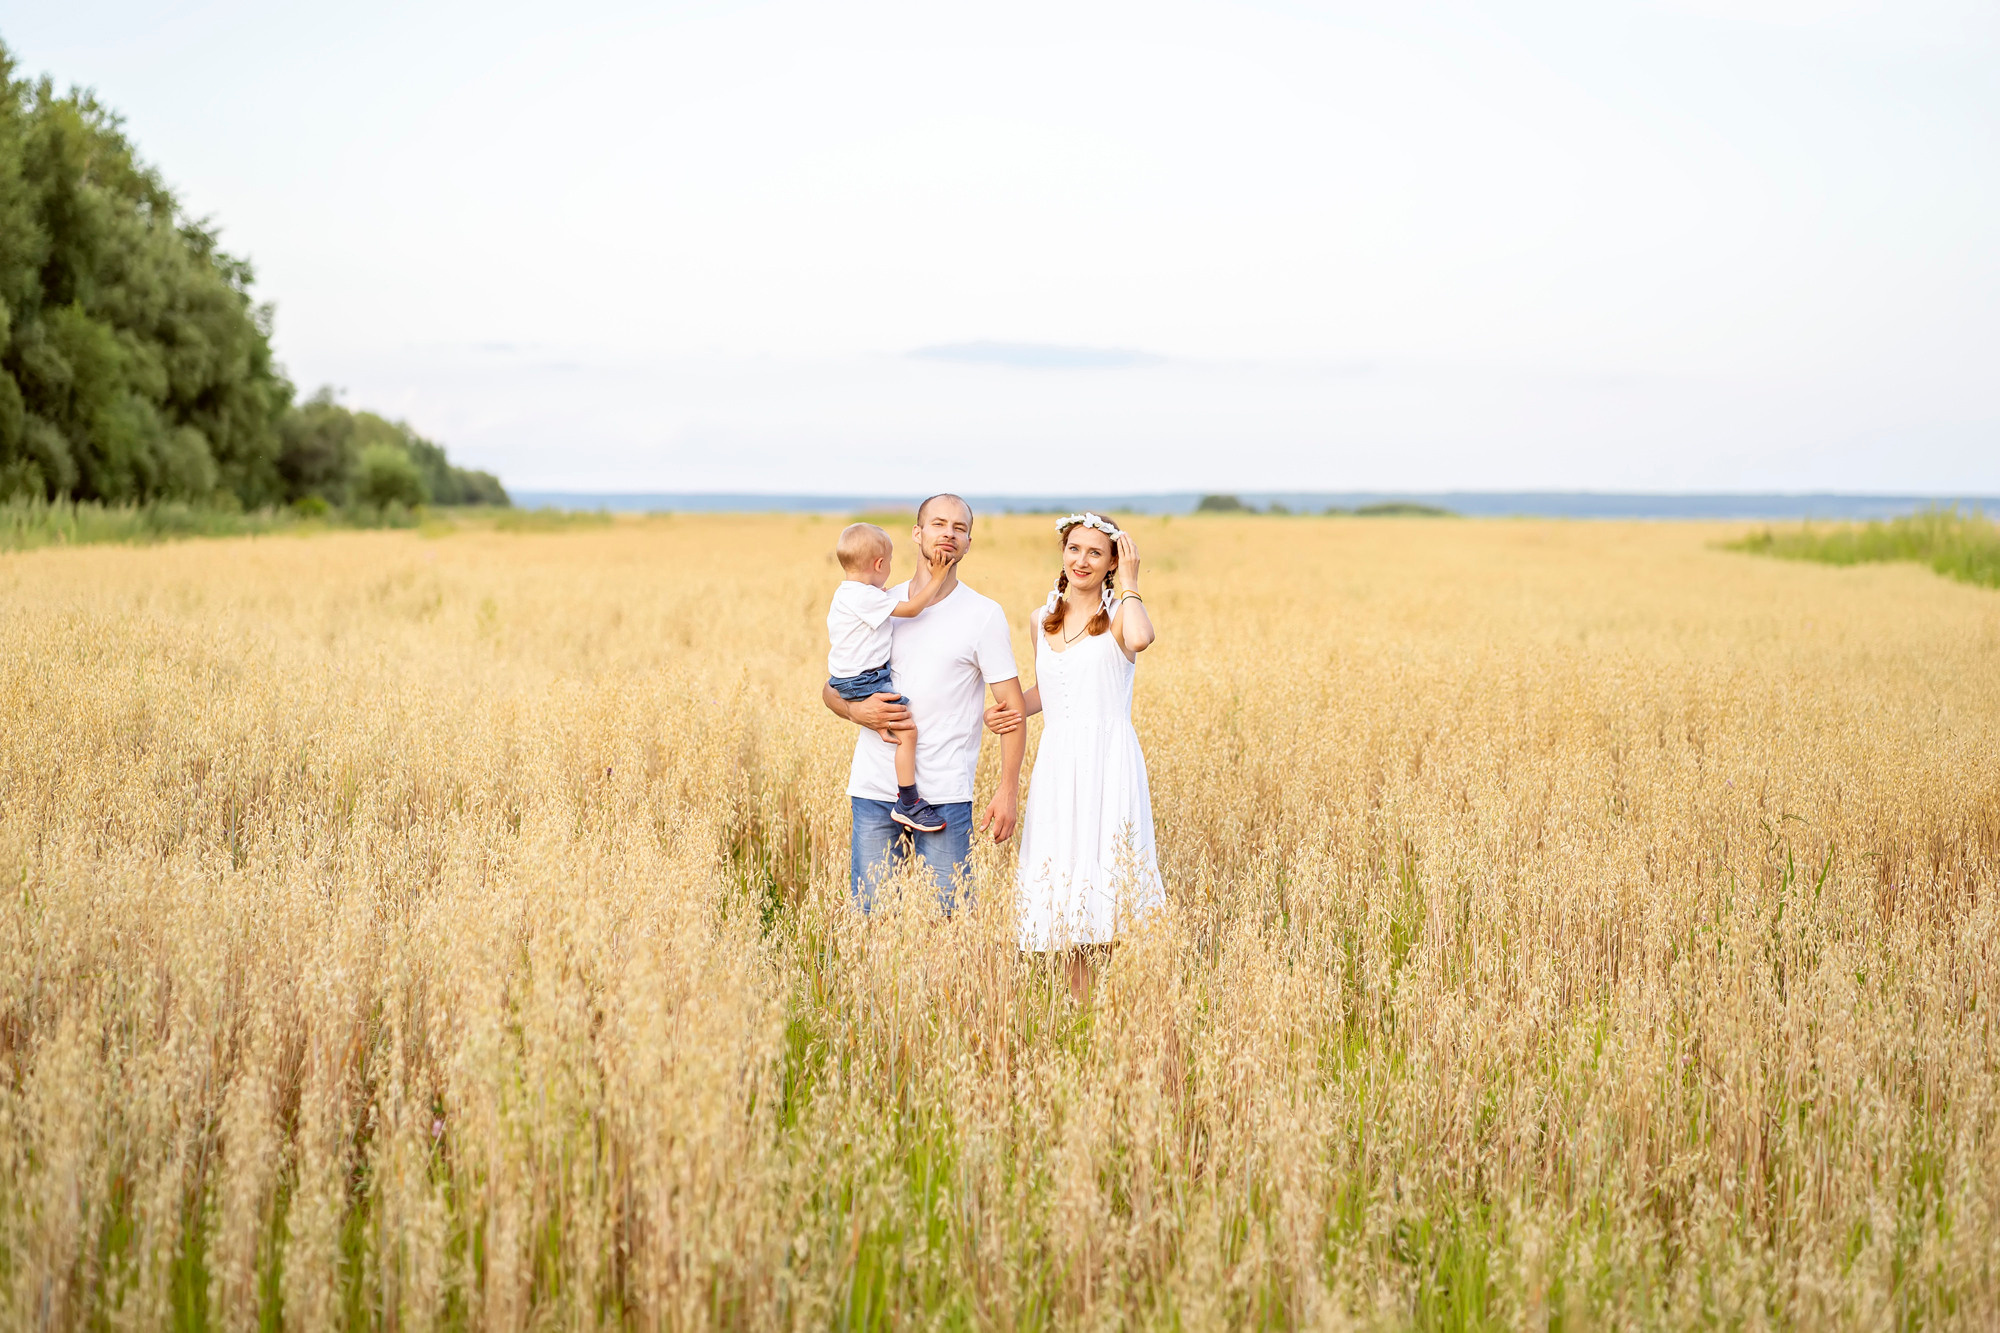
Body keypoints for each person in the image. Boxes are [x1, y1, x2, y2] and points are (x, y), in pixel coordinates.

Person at [820, 494, 1030, 911]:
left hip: (945, 794)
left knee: (948, 926)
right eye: (938, 524)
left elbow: (1012, 709)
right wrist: (855, 710)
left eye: (960, 528)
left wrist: (1009, 790)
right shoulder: (877, 602)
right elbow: (832, 687)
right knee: (873, 920)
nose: (948, 533)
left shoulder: (983, 615)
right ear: (917, 534)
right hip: (874, 789)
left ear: (969, 542)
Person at [984, 511, 1160, 997]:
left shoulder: (1122, 613)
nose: (1082, 560)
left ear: (1111, 562)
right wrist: (1008, 710)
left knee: (1109, 879)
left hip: (1109, 761)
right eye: (1074, 549)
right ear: (1063, 554)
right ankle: (1081, 1008)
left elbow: (1142, 639)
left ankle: (1122, 1004)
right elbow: (1050, 688)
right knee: (1067, 881)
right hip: (1059, 762)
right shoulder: (1042, 620)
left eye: (1095, 553)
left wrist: (1131, 581)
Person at [824, 522, 957, 833]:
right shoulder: (867, 598)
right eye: (890, 563)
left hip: (847, 678)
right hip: (865, 681)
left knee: (894, 724)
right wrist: (936, 579)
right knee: (907, 732)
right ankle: (908, 801)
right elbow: (911, 609)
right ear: (880, 564)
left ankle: (905, 796)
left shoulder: (848, 593)